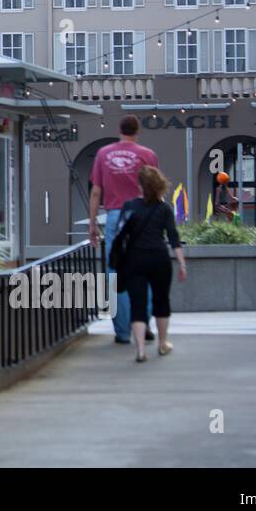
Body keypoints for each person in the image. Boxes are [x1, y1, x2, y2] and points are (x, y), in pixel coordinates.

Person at [88, 115, 160, 344]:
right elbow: (155, 192)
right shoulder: (147, 155)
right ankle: (143, 323)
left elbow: (96, 192)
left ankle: (122, 331)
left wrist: (92, 224)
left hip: (115, 217)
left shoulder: (103, 154)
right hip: (142, 216)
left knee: (115, 272)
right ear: (137, 131)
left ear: (119, 130)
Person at [117, 166, 187, 362]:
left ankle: (140, 351)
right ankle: (163, 344)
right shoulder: (164, 208)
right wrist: (182, 264)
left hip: (134, 259)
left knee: (137, 304)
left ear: (139, 185)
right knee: (161, 301)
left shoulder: (129, 206)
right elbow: (174, 238)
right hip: (159, 258)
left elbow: (120, 233)